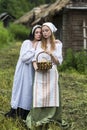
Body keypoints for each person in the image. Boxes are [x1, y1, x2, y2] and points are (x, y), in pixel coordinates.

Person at [26, 22, 63, 129]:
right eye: (43, 31)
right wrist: (36, 67)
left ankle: (52, 116)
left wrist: (51, 54)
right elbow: (34, 59)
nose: (44, 33)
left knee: (51, 94)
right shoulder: (38, 44)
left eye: (47, 30)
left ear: (51, 31)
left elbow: (59, 62)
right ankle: (38, 116)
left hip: (51, 72)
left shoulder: (57, 44)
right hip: (40, 73)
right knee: (40, 95)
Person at [4, 25, 42, 120]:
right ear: (33, 33)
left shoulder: (41, 44)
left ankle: (26, 113)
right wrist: (35, 50)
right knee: (20, 88)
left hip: (32, 71)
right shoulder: (27, 43)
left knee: (28, 90)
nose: (39, 34)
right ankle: (16, 111)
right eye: (36, 32)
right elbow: (24, 58)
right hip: (22, 70)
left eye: (40, 32)